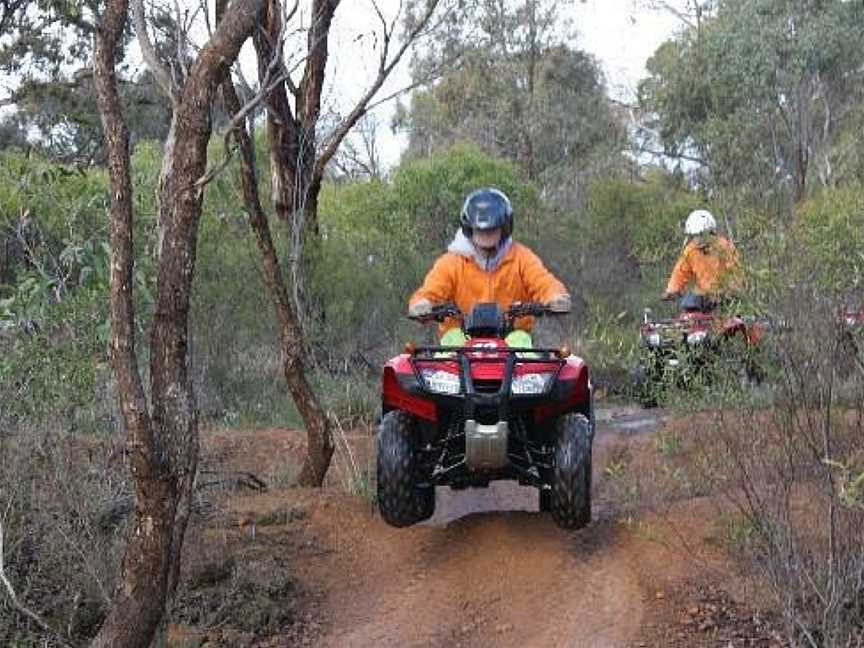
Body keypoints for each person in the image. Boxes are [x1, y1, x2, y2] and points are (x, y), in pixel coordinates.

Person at [408, 188, 570, 347]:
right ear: (469, 228)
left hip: (511, 336)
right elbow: (431, 291)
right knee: (451, 342)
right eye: (480, 230)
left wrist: (555, 297)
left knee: (522, 342)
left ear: (504, 227)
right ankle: (447, 371)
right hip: (460, 338)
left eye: (492, 230)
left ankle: (525, 373)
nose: (486, 235)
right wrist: (423, 304)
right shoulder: (451, 263)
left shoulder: (521, 258)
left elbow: (542, 281)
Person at [663, 209, 741, 304]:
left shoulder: (725, 247)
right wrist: (672, 290)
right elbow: (680, 272)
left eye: (701, 235)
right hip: (702, 299)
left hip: (724, 299)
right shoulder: (691, 250)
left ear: (710, 233)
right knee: (688, 313)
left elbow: (734, 271)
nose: (698, 239)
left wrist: (730, 290)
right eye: (695, 236)